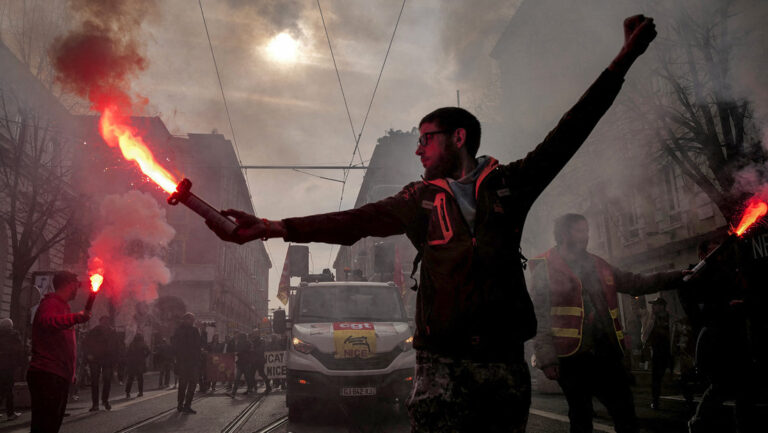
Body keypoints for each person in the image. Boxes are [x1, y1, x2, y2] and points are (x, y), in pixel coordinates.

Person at [207, 15, 657, 432]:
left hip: (502, 358)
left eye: (426, 139)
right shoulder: (417, 199)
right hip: (441, 360)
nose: (418, 150)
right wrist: (270, 226)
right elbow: (353, 221)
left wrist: (624, 60)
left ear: (457, 138)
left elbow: (571, 130)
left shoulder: (509, 185)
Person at [529, 213, 685, 433]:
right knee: (581, 417)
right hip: (571, 358)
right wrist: (547, 358)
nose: (587, 235)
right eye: (580, 231)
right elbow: (540, 315)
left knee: (625, 413)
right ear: (564, 234)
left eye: (587, 230)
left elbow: (636, 282)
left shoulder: (598, 264)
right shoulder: (546, 267)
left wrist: (678, 276)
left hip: (605, 353)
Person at [680, 240, 759, 433]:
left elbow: (745, 295)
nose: (719, 254)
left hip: (736, 337)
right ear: (702, 254)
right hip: (715, 340)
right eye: (713, 251)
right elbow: (697, 311)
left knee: (744, 389)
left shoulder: (727, 272)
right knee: (720, 387)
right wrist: (724, 308)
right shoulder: (695, 276)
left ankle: (744, 427)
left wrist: (742, 304)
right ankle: (698, 422)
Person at [27, 271, 91, 433]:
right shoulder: (51, 303)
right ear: (69, 284)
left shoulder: (63, 306)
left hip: (57, 374)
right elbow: (48, 322)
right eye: (76, 285)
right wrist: (76, 317)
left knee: (51, 426)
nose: (78, 289)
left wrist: (71, 373)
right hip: (47, 373)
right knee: (45, 426)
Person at [641, 297, 672, 410]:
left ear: (662, 306)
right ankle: (655, 401)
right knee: (656, 378)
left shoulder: (669, 318)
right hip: (658, 351)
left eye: (655, 305)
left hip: (668, 350)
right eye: (653, 305)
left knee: (681, 376)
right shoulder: (653, 318)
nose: (653, 307)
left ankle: (689, 399)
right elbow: (645, 335)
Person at [83, 315, 117, 411]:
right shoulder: (94, 331)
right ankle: (96, 404)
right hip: (95, 358)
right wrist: (89, 354)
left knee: (106, 380)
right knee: (95, 381)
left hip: (107, 359)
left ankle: (104, 401)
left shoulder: (112, 332)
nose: (105, 322)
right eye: (104, 320)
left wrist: (115, 359)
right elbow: (86, 343)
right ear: (100, 321)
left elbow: (116, 346)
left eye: (107, 320)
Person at [172, 313, 201, 413]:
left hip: (183, 361)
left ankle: (181, 405)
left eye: (192, 320)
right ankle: (186, 405)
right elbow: (198, 346)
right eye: (190, 319)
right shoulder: (194, 330)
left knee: (183, 384)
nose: (191, 321)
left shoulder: (178, 330)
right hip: (190, 362)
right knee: (190, 384)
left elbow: (174, 346)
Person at [0, 318, 24, 421]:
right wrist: (20, 363)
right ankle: (10, 413)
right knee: (8, 389)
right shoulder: (14, 335)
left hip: (1, 366)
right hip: (9, 366)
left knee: (1, 389)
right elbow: (19, 350)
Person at [125, 334, 150, 398]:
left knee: (130, 378)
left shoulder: (132, 344)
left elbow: (127, 354)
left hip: (132, 363)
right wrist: (144, 356)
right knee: (140, 378)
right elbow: (148, 351)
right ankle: (140, 392)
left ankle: (127, 392)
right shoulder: (142, 344)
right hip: (139, 363)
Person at [229, 333, 253, 397]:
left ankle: (249, 389)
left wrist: (239, 352)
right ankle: (234, 392)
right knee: (240, 378)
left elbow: (243, 350)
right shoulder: (242, 343)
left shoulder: (247, 343)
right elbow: (237, 350)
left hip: (245, 363)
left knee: (244, 378)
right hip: (241, 363)